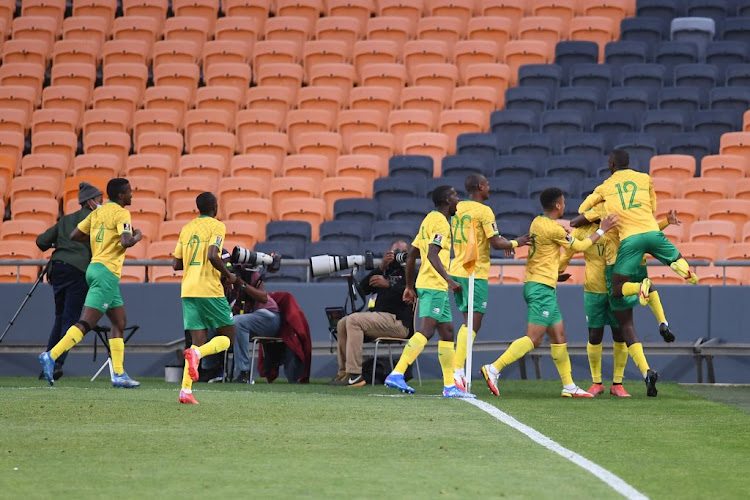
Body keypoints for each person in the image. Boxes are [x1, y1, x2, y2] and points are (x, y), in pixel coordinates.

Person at [578, 149, 697, 396]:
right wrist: (665, 222)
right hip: (641, 254)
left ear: (611, 164)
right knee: (630, 319)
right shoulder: (643, 180)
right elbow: (649, 217)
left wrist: (597, 208)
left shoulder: (605, 206)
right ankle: (659, 330)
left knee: (624, 325)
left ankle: (611, 380)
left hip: (618, 264)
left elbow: (578, 218)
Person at [480, 187, 617, 398]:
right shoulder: (554, 230)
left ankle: (569, 385)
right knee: (534, 339)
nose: (564, 204)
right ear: (558, 205)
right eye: (563, 201)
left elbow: (544, 254)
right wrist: (602, 229)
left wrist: (554, 274)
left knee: (559, 335)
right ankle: (494, 368)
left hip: (544, 285)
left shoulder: (537, 222)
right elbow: (580, 245)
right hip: (540, 288)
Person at [562, 206, 680, 397]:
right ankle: (597, 382)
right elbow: (567, 253)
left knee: (619, 335)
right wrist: (558, 270)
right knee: (594, 335)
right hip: (594, 291)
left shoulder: (619, 227)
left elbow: (643, 236)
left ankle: (617, 384)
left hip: (616, 288)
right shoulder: (582, 231)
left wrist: (666, 222)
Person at [39, 178, 143, 387]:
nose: (132, 195)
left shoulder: (98, 212)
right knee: (86, 323)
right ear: (121, 195)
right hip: (106, 272)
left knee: (119, 322)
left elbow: (75, 235)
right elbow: (125, 241)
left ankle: (119, 374)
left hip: (96, 269)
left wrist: (99, 240)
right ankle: (51, 355)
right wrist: (138, 235)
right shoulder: (122, 213)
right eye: (130, 192)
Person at [383, 185, 475, 398]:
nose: (458, 200)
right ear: (446, 200)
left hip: (431, 285)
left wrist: (408, 285)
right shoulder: (441, 223)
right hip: (434, 285)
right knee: (427, 330)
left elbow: (413, 253)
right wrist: (449, 280)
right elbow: (432, 254)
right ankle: (397, 372)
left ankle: (449, 385)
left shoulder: (428, 220)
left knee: (447, 331)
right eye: (454, 196)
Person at [448, 174, 533, 390]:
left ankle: (457, 372)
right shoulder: (483, 211)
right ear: (479, 186)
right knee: (473, 323)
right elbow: (495, 243)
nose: (489, 187)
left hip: (457, 267)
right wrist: (517, 242)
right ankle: (457, 371)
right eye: (486, 185)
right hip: (473, 271)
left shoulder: (457, 208)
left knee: (468, 320)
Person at [172, 192, 237, 405]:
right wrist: (228, 275)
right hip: (209, 288)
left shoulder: (187, 228)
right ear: (215, 207)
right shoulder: (217, 226)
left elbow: (176, 264)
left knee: (196, 341)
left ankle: (185, 391)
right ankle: (198, 355)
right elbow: (212, 255)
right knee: (228, 337)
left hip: (188, 289)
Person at [35, 182, 103, 380]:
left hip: (58, 268)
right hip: (78, 270)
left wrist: (61, 243)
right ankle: (56, 362)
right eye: (100, 199)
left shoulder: (65, 220)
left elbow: (41, 241)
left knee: (60, 317)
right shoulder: (95, 217)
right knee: (71, 319)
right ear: (91, 201)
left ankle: (48, 361)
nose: (102, 203)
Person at [331, 239, 414, 387]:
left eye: (403, 252)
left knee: (354, 320)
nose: (399, 255)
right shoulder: (385, 271)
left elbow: (413, 293)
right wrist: (380, 267)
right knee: (343, 322)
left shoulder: (411, 273)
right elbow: (361, 290)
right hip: (378, 319)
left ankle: (355, 374)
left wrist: (389, 284)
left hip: (398, 322)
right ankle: (344, 373)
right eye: (395, 252)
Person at [231, 264, 282, 383]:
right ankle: (212, 371)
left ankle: (245, 373)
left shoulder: (250, 274)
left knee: (238, 322)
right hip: (253, 318)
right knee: (223, 322)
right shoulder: (225, 285)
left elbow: (263, 297)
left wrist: (241, 283)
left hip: (269, 317)